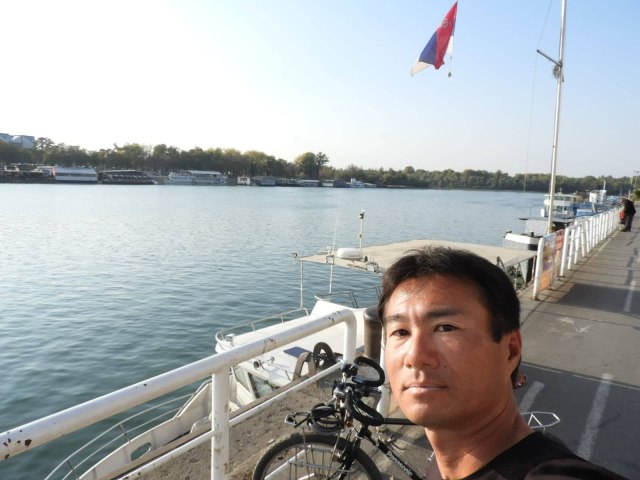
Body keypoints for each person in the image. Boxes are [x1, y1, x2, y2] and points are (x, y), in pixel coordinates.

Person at [377, 246, 627, 480]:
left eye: (446, 328)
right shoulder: (439, 469)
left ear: (510, 350)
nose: (415, 357)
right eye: (401, 332)